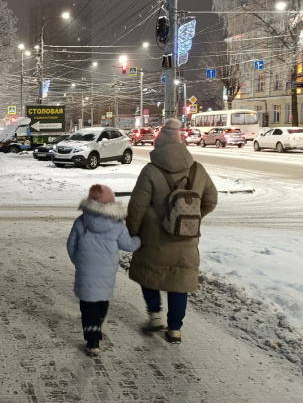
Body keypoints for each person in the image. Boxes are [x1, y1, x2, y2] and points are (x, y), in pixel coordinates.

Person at [126, 118, 218, 344]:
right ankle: (175, 329)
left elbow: (137, 207)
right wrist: (190, 219)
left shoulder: (150, 171)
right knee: (179, 283)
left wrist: (133, 231)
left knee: (149, 277)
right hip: (186, 240)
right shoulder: (197, 169)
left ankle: (155, 315)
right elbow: (211, 200)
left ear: (159, 146)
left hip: (153, 238)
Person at [67, 184, 141, 356]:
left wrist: (78, 261)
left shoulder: (81, 221)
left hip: (85, 273)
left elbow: (71, 245)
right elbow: (128, 245)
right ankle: (97, 327)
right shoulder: (117, 224)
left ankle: (92, 341)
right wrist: (139, 240)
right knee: (101, 302)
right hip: (106, 274)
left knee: (87, 306)